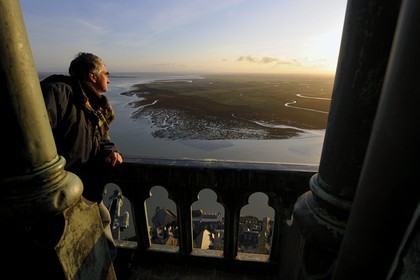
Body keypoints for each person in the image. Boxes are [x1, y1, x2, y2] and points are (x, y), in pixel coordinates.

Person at [40, 52, 123, 260]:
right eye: (106, 73)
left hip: (89, 191)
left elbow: (102, 139)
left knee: (103, 234)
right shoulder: (57, 93)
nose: (109, 79)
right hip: (62, 198)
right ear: (93, 76)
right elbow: (34, 139)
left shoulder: (93, 105)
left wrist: (109, 151)